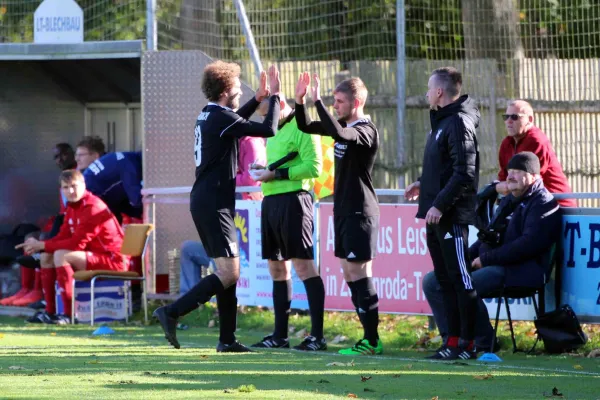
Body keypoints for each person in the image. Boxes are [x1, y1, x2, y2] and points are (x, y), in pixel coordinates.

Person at [152, 62, 281, 353]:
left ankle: (227, 339)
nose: (240, 89)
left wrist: (258, 99)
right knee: (229, 273)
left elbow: (235, 121)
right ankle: (172, 312)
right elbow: (268, 129)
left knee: (228, 270)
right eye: (237, 86)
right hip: (212, 204)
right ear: (226, 91)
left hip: (209, 201)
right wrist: (274, 97)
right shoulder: (221, 117)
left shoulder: (211, 114)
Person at [423, 152, 562, 351]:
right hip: (497, 265)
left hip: (525, 270)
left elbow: (526, 246)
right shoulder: (509, 200)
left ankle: (482, 341)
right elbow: (488, 236)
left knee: (466, 285)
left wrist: (486, 259)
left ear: (534, 176)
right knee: (433, 281)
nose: (511, 176)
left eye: (518, 172)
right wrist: (461, 258)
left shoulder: (542, 203)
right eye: (510, 171)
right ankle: (452, 339)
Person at [295, 72, 382, 356]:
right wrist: (301, 101)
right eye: (333, 100)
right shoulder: (343, 125)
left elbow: (341, 133)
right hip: (344, 211)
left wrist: (318, 100)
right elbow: (306, 124)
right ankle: (368, 340)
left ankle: (372, 340)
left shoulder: (365, 130)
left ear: (356, 102)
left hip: (361, 211)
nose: (335, 105)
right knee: (348, 270)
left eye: (339, 101)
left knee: (358, 270)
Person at [405, 67, 480, 360]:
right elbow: (446, 168)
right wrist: (423, 186)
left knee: (461, 279)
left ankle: (469, 343)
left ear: (439, 92)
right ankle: (451, 341)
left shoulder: (459, 123)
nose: (425, 93)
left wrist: (439, 204)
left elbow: (465, 173)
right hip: (434, 215)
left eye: (428, 88)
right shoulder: (441, 123)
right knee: (445, 280)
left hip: (450, 217)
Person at [249, 93, 326, 351]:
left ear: (280, 105)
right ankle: (279, 336)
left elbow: (314, 168)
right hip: (271, 203)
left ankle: (317, 337)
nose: (266, 121)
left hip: (295, 202)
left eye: (268, 114)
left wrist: (277, 173)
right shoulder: (273, 130)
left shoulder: (303, 126)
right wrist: (264, 170)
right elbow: (275, 168)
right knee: (277, 269)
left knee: (304, 268)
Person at [16, 169, 127, 324]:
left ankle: (69, 314)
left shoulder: (93, 207)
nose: (71, 191)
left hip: (113, 259)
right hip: (93, 256)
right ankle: (50, 311)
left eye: (74, 186)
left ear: (84, 185)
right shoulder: (72, 207)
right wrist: (41, 247)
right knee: (47, 256)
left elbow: (76, 244)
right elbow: (63, 235)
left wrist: (42, 244)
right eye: (66, 187)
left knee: (61, 254)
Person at [494, 100, 576, 208]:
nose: (509, 121)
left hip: (556, 207)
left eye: (514, 117)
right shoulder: (506, 144)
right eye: (506, 117)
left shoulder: (536, 141)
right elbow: (504, 177)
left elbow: (526, 184)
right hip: (532, 206)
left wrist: (495, 187)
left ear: (530, 119)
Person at [83, 151, 143, 221]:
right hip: (92, 196)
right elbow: (136, 199)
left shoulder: (127, 157)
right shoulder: (130, 164)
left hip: (93, 194)